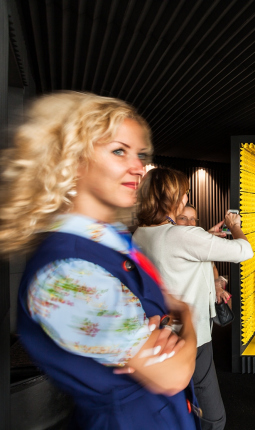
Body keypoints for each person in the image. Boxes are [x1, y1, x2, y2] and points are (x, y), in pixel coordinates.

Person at [0, 91, 200, 429]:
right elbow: (173, 374)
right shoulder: (64, 272)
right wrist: (187, 318)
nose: (138, 168)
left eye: (139, 154)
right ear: (73, 159)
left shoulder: (109, 239)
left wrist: (162, 333)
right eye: (119, 151)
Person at [134, 167, 253, 430]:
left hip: (161, 334)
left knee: (177, 404)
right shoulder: (182, 235)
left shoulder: (140, 234)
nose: (186, 198)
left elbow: (174, 257)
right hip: (192, 335)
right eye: (184, 193)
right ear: (172, 197)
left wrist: (204, 239)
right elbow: (244, 250)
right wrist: (234, 226)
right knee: (213, 416)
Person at [176, 203, 230, 303]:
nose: (189, 224)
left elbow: (212, 267)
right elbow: (243, 251)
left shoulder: (197, 243)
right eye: (183, 218)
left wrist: (217, 286)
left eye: (192, 219)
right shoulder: (172, 243)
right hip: (182, 303)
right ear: (173, 220)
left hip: (202, 300)